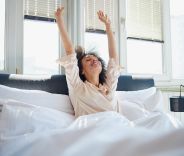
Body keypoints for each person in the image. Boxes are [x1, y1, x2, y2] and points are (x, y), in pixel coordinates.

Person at [55, 7, 122, 117]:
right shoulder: (77, 87)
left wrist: (108, 27)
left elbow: (113, 59)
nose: (94, 60)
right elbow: (69, 51)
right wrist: (59, 20)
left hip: (116, 126)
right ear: (81, 71)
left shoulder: (108, 86)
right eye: (88, 60)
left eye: (95, 59)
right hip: (91, 129)